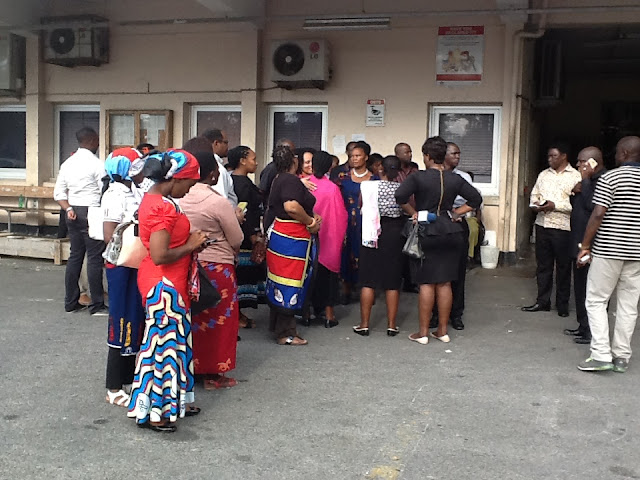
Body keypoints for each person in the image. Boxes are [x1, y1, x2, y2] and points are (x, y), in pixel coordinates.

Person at [127, 150, 207, 433]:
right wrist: (191, 244)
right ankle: (154, 411)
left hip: (169, 282)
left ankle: (175, 402)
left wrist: (190, 244)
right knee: (162, 350)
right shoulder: (161, 207)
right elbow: (160, 255)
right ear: (176, 178)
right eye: (190, 183)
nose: (190, 189)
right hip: (164, 284)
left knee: (176, 345)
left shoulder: (158, 200)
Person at [395, 136, 482, 345]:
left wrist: (414, 213)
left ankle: (423, 333)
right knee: (445, 282)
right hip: (451, 231)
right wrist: (456, 213)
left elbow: (400, 196)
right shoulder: (455, 178)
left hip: (428, 230)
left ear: (427, 156)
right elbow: (476, 199)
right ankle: (442, 331)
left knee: (426, 282)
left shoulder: (418, 177)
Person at [577, 136, 640, 373]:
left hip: (608, 250)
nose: (615, 156)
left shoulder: (610, 178)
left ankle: (601, 354)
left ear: (624, 153)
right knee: (628, 305)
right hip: (636, 253)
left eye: (616, 153)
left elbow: (598, 213)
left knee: (596, 300)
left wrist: (585, 245)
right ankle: (621, 356)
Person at [181, 151, 244, 389]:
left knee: (194, 318)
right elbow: (236, 238)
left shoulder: (178, 198)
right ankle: (213, 373)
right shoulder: (218, 202)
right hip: (218, 267)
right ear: (212, 173)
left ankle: (191, 367)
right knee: (220, 320)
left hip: (188, 264)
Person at [100, 148, 146, 408]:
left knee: (135, 317)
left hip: (136, 262)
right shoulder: (114, 194)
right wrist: (135, 226)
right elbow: (110, 235)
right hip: (121, 265)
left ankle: (129, 378)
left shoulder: (135, 190)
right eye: (137, 166)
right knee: (121, 320)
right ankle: (114, 385)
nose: (142, 170)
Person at [264, 146, 321, 346]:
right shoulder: (290, 180)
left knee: (279, 280)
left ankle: (277, 326)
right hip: (291, 238)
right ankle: (286, 333)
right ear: (294, 161)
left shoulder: (279, 178)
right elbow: (291, 206)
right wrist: (310, 221)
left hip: (282, 235)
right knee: (290, 282)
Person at [522, 141, 582, 316]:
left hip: (563, 228)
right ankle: (542, 301)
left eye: (553, 156)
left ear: (563, 156)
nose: (550, 159)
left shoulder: (576, 176)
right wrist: (536, 205)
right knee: (543, 266)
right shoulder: (543, 175)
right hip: (542, 225)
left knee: (563, 267)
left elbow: (578, 205)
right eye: (548, 156)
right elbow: (534, 195)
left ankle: (562, 305)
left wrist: (555, 206)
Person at [53, 127, 108, 316]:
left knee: (75, 256)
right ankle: (97, 304)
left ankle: (70, 302)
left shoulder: (67, 164)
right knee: (94, 258)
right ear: (92, 140)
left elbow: (59, 193)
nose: (98, 143)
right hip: (91, 210)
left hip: (72, 211)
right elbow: (104, 189)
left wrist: (68, 208)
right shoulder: (97, 164)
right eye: (97, 140)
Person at [354, 155, 405, 337]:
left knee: (368, 280)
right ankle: (391, 325)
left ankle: (364, 324)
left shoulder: (368, 186)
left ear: (380, 168)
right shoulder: (402, 189)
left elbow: (360, 205)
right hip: (394, 233)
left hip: (371, 232)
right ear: (398, 172)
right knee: (392, 281)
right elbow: (406, 208)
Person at [431, 142, 480, 331]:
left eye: (459, 154)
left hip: (458, 225)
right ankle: (436, 314)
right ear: (443, 155)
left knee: (458, 273)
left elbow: (474, 199)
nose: (457, 157)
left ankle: (456, 315)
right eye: (454, 154)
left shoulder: (462, 177)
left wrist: (456, 212)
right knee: (436, 273)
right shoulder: (432, 175)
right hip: (436, 226)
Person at [564, 147, 606, 345]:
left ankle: (592, 331)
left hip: (592, 245)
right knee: (580, 287)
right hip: (579, 241)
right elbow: (578, 204)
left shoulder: (602, 181)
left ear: (592, 163)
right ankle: (583, 326)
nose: (578, 165)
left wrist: (586, 180)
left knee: (593, 290)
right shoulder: (586, 181)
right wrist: (575, 190)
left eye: (581, 162)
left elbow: (591, 206)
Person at [335, 141, 377, 304]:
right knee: (346, 254)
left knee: (366, 255)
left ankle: (367, 291)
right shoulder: (342, 178)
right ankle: (346, 290)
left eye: (358, 155)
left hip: (367, 223)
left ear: (366, 157)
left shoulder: (374, 179)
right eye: (352, 156)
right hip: (346, 223)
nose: (354, 158)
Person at [229, 146, 267, 328]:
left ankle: (239, 314)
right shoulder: (241, 184)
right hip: (244, 237)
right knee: (241, 278)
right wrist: (252, 234)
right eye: (253, 159)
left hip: (248, 233)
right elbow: (244, 211)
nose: (256, 163)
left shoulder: (239, 180)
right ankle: (237, 316)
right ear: (242, 161)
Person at [309, 151, 348, 327]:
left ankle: (307, 313)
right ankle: (329, 315)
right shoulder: (332, 188)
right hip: (328, 237)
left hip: (308, 237)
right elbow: (341, 215)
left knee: (309, 276)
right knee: (328, 276)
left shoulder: (305, 184)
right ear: (330, 167)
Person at [394, 142, 420, 294]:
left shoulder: (415, 169)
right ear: (398, 154)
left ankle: (411, 282)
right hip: (398, 215)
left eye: (410, 152)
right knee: (399, 251)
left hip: (414, 214)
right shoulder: (394, 171)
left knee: (412, 250)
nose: (410, 154)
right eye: (406, 152)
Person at [202, 129, 238, 207]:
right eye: (225, 142)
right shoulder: (217, 169)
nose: (228, 146)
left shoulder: (203, 165)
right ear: (216, 143)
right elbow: (221, 200)